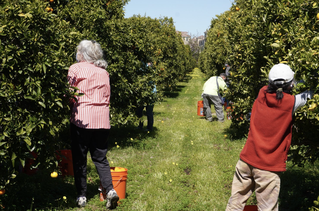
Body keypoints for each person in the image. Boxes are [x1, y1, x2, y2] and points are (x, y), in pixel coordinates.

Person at [225, 64, 313, 211]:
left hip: (246, 161)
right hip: (267, 167)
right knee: (267, 208)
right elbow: (308, 94)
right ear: (290, 84)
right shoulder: (290, 102)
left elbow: (275, 86)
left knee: (235, 203)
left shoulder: (261, 93)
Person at [67, 40, 119, 209]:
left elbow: (70, 94)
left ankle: (81, 196)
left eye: (78, 51)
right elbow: (108, 97)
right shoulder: (104, 72)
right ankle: (110, 191)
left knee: (80, 158)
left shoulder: (75, 68)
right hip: (102, 120)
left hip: (82, 119)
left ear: (82, 53)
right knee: (100, 158)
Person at [136, 62, 157, 132]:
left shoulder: (149, 71)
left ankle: (149, 128)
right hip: (142, 92)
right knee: (139, 110)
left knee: (149, 111)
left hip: (151, 93)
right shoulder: (141, 67)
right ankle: (140, 125)